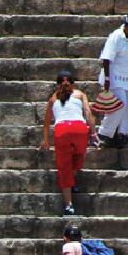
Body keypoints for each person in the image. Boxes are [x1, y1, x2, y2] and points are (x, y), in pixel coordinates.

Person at [40, 71, 98, 216]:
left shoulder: (53, 99)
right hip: (79, 128)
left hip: (62, 130)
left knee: (64, 167)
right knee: (78, 157)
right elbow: (88, 113)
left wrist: (46, 140)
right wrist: (94, 133)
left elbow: (46, 123)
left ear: (57, 84)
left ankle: (69, 205)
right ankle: (71, 181)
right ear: (73, 84)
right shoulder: (80, 94)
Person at [97, 13, 128, 148]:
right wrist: (107, 78)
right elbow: (106, 58)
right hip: (114, 77)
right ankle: (104, 134)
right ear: (127, 26)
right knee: (120, 104)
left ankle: (124, 135)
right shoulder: (116, 36)